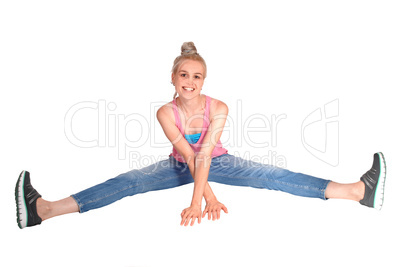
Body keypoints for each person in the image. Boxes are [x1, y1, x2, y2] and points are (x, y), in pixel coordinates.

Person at [15, 42, 387, 229]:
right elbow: (190, 157)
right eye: (184, 75)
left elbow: (207, 155)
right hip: (180, 166)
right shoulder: (166, 111)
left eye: (197, 77)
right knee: (128, 181)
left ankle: (357, 192)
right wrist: (205, 197)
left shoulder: (219, 107)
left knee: (272, 175)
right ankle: (42, 211)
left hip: (218, 161)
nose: (190, 82)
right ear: (173, 79)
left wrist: (201, 200)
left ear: (203, 81)